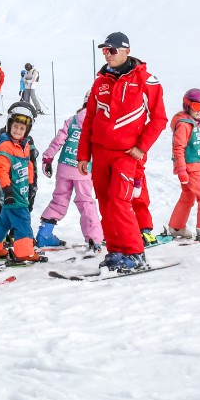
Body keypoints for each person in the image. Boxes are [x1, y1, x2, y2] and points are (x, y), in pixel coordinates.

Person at [77, 32, 167, 272]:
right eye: (105, 51)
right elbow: (90, 120)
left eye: (112, 50)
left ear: (126, 50)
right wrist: (84, 154)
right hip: (100, 152)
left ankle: (135, 252)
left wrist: (141, 147)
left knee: (120, 202)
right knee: (105, 203)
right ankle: (116, 250)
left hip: (127, 154)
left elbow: (159, 119)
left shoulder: (146, 80)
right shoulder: (100, 82)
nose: (108, 55)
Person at [0, 102, 45, 263]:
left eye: (22, 129)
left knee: (3, 221)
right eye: (15, 127)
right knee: (23, 223)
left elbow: (28, 165)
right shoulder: (6, 146)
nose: (17, 131)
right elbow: (1, 171)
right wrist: (7, 191)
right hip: (13, 194)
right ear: (9, 125)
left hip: (21, 191)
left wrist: (30, 185)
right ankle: (24, 253)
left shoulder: (24, 145)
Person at [36, 97, 103, 250]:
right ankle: (94, 238)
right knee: (85, 201)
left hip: (64, 166)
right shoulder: (99, 123)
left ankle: (44, 234)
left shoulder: (72, 120)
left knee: (59, 199)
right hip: (83, 169)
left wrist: (48, 158)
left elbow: (58, 140)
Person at [164, 88, 200, 241]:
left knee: (188, 196)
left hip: (190, 167)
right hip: (191, 168)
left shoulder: (190, 123)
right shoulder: (184, 125)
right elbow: (178, 149)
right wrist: (182, 170)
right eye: (197, 107)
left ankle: (177, 227)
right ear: (187, 106)